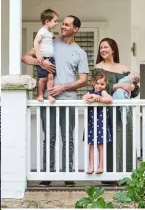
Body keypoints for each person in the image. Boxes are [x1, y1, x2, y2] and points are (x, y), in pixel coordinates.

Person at [21, 15, 89, 186]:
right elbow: (25, 58)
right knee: (49, 137)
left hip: (68, 100)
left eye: (67, 25)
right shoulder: (49, 41)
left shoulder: (80, 52)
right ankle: (48, 174)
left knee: (68, 138)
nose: (63, 26)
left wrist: (63, 87)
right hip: (48, 99)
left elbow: (83, 80)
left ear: (75, 29)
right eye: (62, 24)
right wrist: (41, 62)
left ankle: (68, 173)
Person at [93, 38, 140, 184]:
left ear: (113, 49)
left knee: (125, 139)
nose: (103, 50)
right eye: (101, 47)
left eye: (106, 47)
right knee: (109, 140)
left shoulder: (124, 67)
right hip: (107, 110)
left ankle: (126, 175)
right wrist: (120, 85)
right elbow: (99, 87)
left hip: (124, 110)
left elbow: (135, 89)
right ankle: (109, 176)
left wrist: (132, 87)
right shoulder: (98, 67)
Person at [82, 71, 112, 174]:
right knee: (91, 145)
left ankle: (101, 166)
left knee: (100, 145)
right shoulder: (90, 92)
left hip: (101, 123)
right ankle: (91, 166)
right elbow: (83, 98)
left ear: (105, 85)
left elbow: (109, 99)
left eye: (102, 84)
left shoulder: (103, 93)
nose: (99, 86)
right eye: (97, 83)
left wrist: (99, 99)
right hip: (91, 123)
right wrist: (92, 97)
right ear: (93, 83)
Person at [34, 9, 58, 104]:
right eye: (55, 21)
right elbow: (36, 42)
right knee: (43, 78)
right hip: (44, 58)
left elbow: (53, 38)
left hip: (51, 59)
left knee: (51, 77)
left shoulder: (49, 32)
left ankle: (50, 95)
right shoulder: (42, 31)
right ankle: (40, 94)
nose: (56, 23)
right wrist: (38, 54)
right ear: (47, 21)